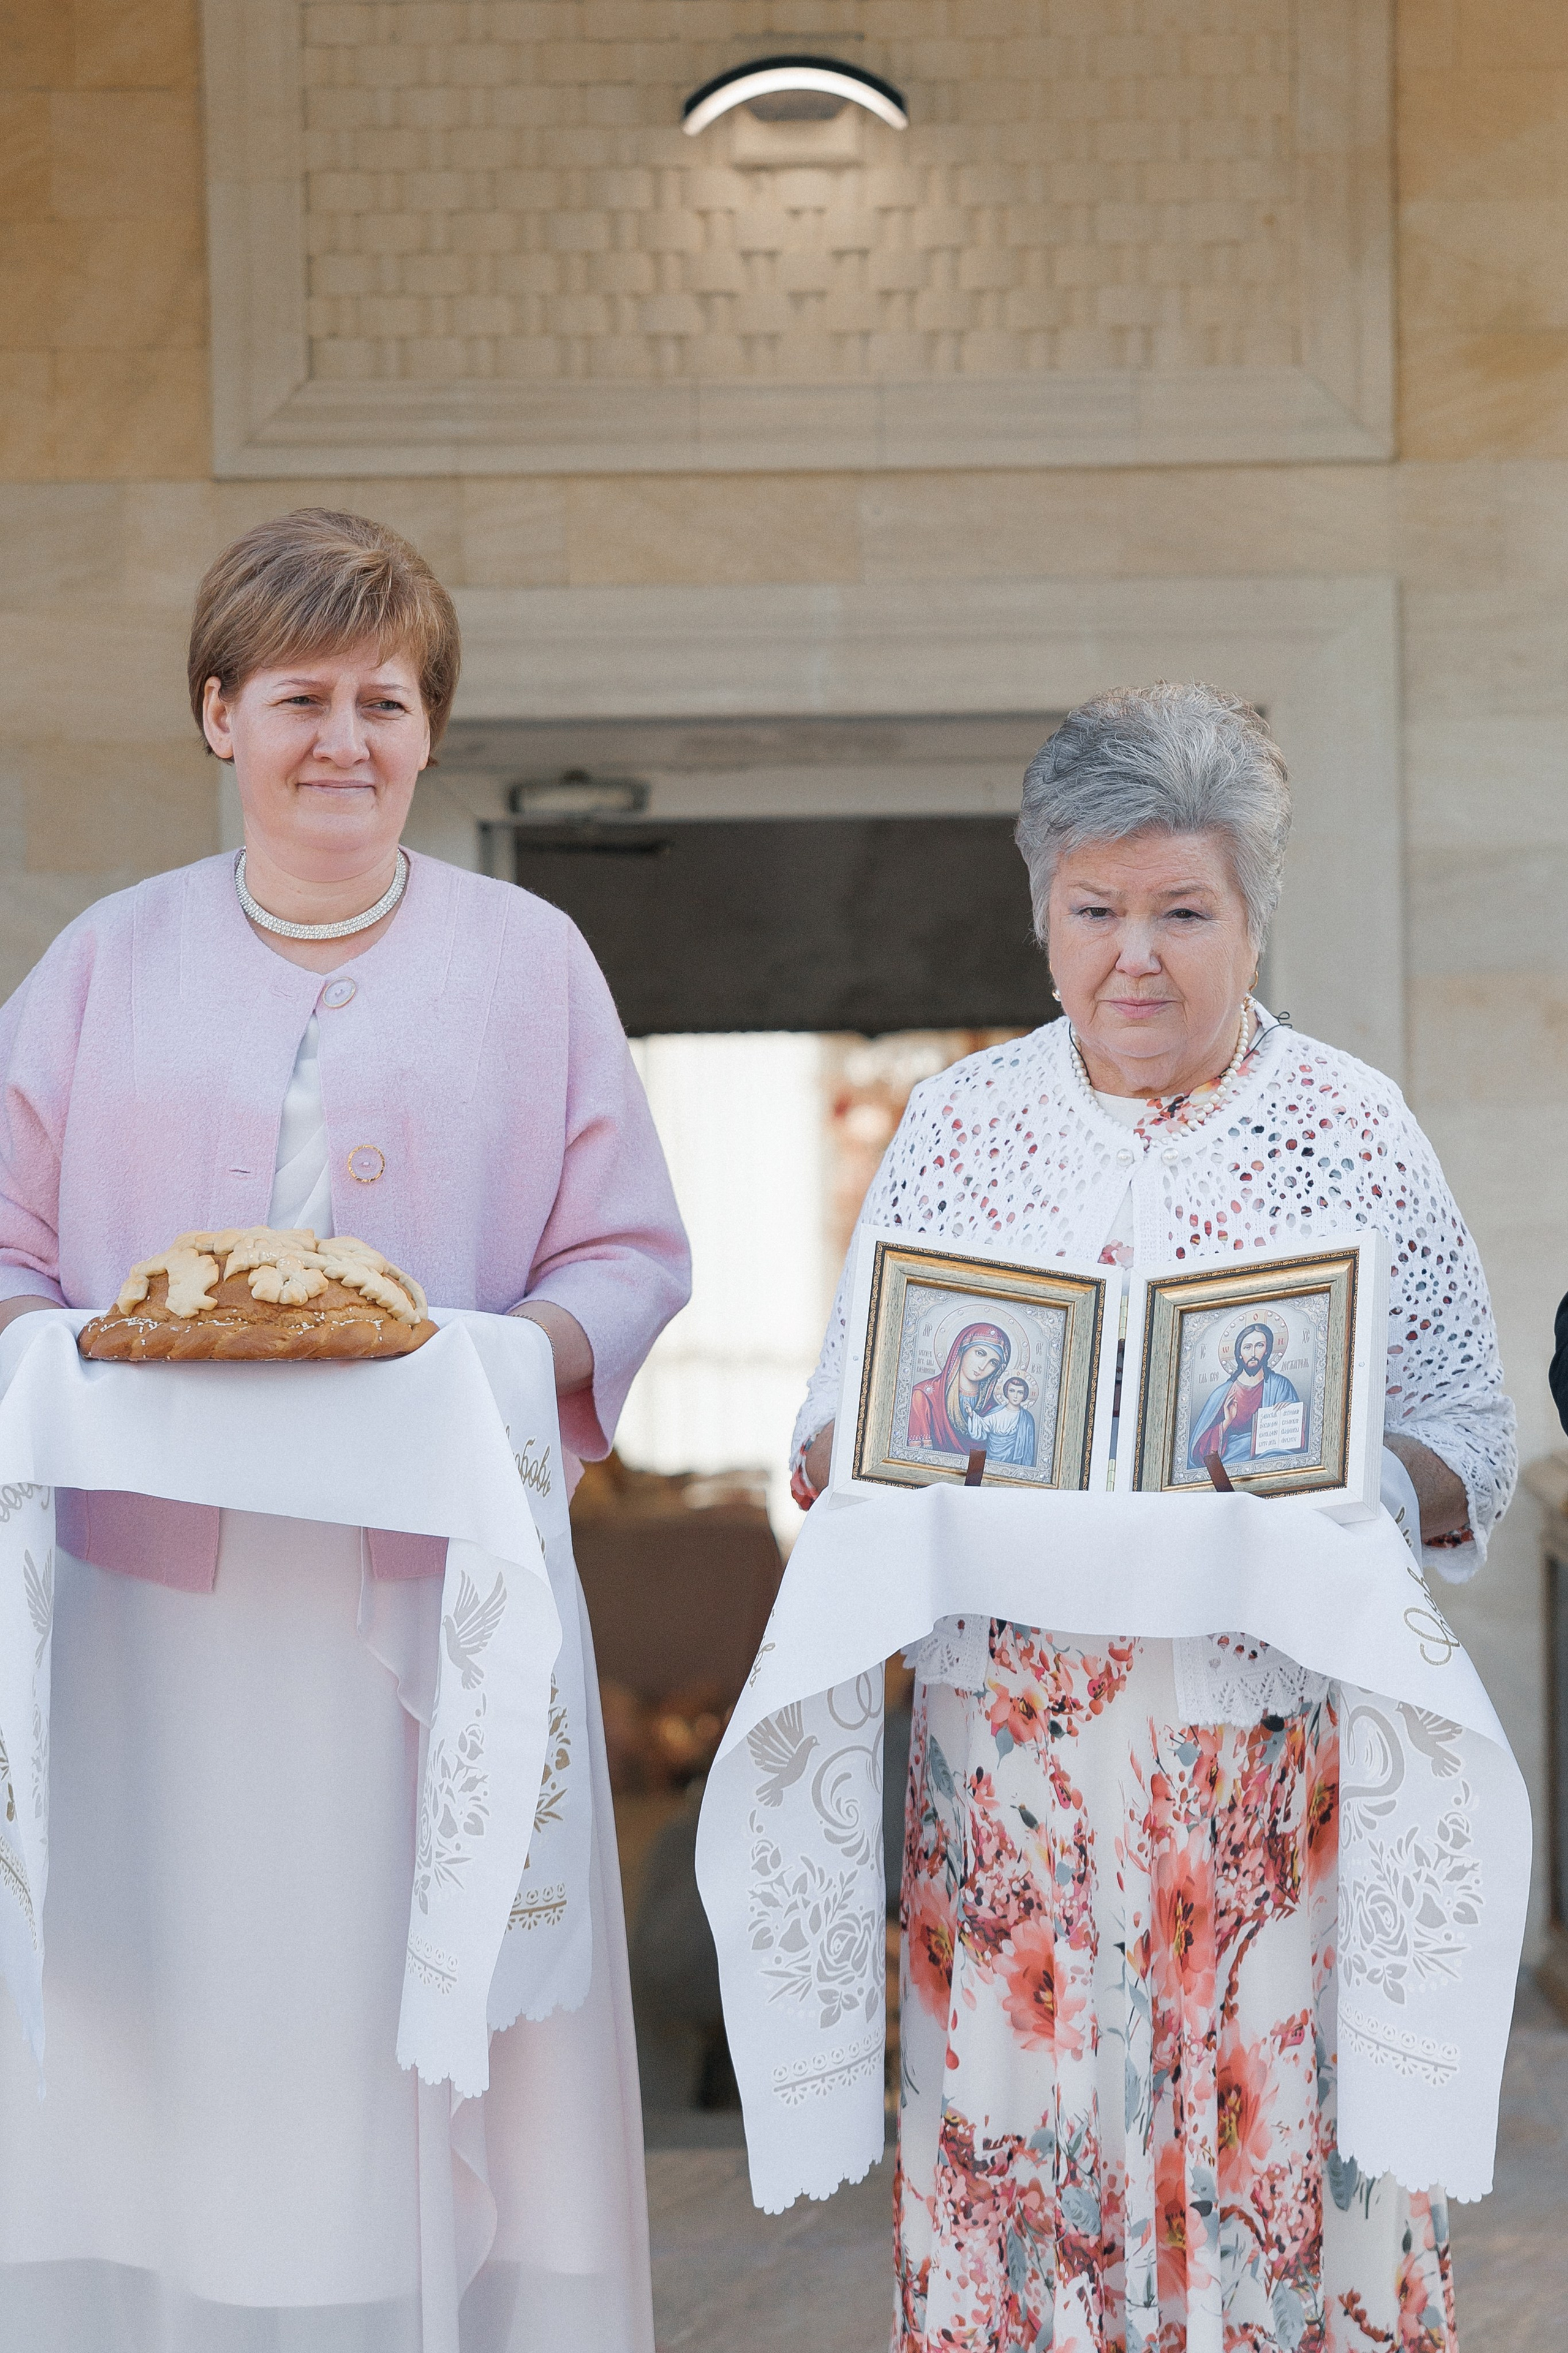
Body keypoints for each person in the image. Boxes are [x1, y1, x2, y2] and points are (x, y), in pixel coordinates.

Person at [0, 510, 690, 2352]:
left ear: (432, 727)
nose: (343, 736)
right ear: (219, 714)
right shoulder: (103, 961)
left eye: (384, 698)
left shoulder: (533, 957)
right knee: (206, 1980)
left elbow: (624, 1251)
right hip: (165, 1611)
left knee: (425, 1982)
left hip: (435, 1596)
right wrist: (55, 1354)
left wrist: (501, 1351)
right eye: (298, 694)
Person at [791, 684, 1515, 2351]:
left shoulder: (1353, 1130)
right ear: (1039, 910)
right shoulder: (959, 1126)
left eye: (1184, 911)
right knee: (1025, 2184)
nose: (1137, 955)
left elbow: (1473, 1436)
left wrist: (1347, 1485)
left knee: (1276, 2184)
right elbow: (836, 1413)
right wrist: (857, 1450)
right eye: (1096, 909)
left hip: (1274, 1780)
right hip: (1013, 1787)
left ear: (1254, 918)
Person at [1188, 1320, 1302, 1468]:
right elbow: (1198, 1453)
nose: (1253, 1353)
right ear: (1240, 1354)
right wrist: (1227, 1422)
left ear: (1267, 1350)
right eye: (1247, 1347)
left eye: (1259, 1346)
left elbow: (1294, 1438)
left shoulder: (1280, 1385)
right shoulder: (1222, 1393)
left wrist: (1290, 1411)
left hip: (1270, 1457)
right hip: (1232, 1456)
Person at [907, 1322, 1008, 1454]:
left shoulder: (993, 1409)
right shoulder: (924, 1397)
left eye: (993, 1363)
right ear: (962, 1350)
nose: (983, 1366)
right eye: (980, 1353)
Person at [968, 1374, 1038, 1467]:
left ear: (1025, 1395)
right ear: (1006, 1392)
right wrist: (972, 1415)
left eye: (1020, 1392)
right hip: (991, 1459)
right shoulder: (997, 1413)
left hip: (1014, 1463)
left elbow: (1029, 1448)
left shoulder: (1027, 1419)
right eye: (1012, 1391)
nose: (1016, 1396)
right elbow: (982, 1427)